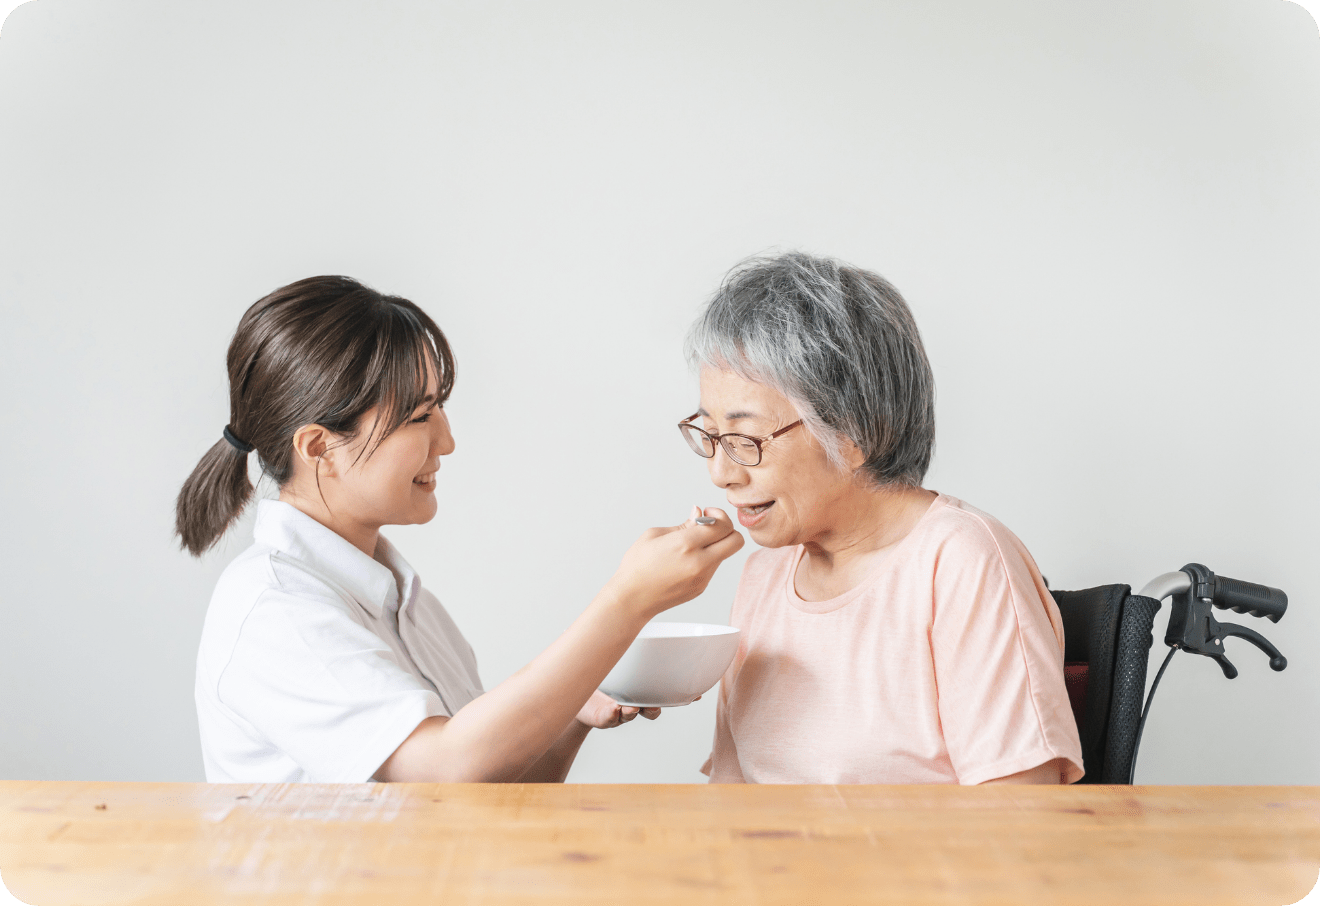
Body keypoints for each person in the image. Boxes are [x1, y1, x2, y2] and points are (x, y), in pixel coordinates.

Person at [177, 275, 742, 783]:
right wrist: (629, 600)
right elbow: (446, 770)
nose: (446, 441)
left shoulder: (400, 600)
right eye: (420, 416)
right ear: (319, 447)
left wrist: (573, 713)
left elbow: (484, 792)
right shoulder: (276, 610)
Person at [680, 252, 1083, 785]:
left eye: (745, 439)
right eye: (709, 434)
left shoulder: (960, 561)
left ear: (853, 434)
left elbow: (1020, 822)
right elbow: (729, 799)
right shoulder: (763, 576)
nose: (720, 474)